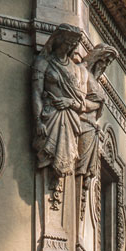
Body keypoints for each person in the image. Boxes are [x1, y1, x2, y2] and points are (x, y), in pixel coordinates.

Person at [32, 24, 85, 176]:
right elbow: (36, 93)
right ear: (57, 41)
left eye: (71, 45)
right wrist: (38, 121)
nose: (67, 47)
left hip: (70, 119)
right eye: (66, 43)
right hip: (50, 116)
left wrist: (69, 102)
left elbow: (81, 103)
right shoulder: (43, 62)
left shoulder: (75, 69)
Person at [76, 43, 117, 212]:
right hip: (83, 125)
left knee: (87, 175)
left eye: (108, 62)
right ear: (97, 57)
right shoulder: (82, 72)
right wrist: (95, 104)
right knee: (79, 169)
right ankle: (75, 207)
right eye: (104, 60)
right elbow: (77, 102)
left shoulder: (94, 80)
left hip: (92, 130)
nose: (105, 64)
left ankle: (79, 207)